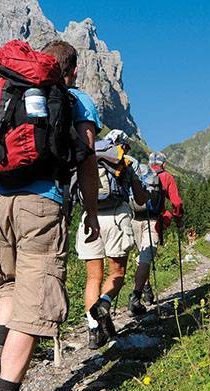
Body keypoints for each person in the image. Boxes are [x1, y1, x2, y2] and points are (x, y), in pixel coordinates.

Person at [0, 40, 101, 391]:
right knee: (35, 305)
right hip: (40, 204)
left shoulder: (6, 81)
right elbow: (86, 159)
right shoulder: (75, 98)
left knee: (10, 284)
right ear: (74, 70)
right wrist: (92, 213)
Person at [77, 131, 148, 349]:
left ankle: (93, 330)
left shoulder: (89, 156)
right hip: (117, 217)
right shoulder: (126, 161)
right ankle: (104, 304)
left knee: (93, 278)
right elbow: (140, 198)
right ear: (123, 145)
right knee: (116, 273)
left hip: (90, 215)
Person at [128, 152, 183, 315]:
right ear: (163, 164)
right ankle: (136, 297)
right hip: (152, 221)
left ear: (150, 163)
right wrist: (177, 218)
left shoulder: (138, 173)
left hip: (133, 220)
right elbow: (177, 203)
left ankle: (147, 290)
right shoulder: (166, 177)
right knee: (145, 259)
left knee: (141, 257)